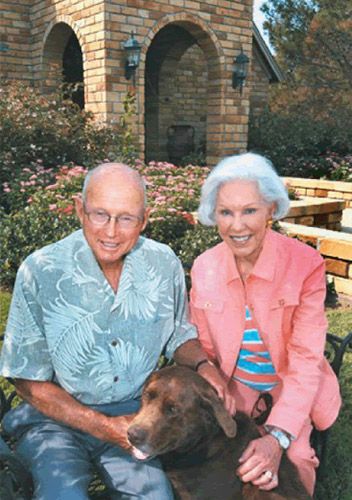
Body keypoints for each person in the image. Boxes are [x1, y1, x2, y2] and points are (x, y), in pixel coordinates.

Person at [0, 163, 212, 500]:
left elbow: (178, 337)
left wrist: (204, 366)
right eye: (100, 214)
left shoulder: (163, 263)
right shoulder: (41, 270)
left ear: (144, 220)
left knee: (156, 497)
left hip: (136, 415)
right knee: (61, 494)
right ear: (79, 210)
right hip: (55, 419)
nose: (111, 232)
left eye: (126, 218)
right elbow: (25, 377)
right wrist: (102, 427)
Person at [189, 152, 341, 496]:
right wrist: (215, 389)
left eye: (250, 210)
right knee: (219, 461)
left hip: (289, 387)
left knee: (296, 459)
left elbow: (305, 360)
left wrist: (277, 436)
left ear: (272, 209)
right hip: (234, 387)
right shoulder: (204, 267)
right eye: (226, 212)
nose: (236, 226)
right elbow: (204, 350)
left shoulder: (306, 264)